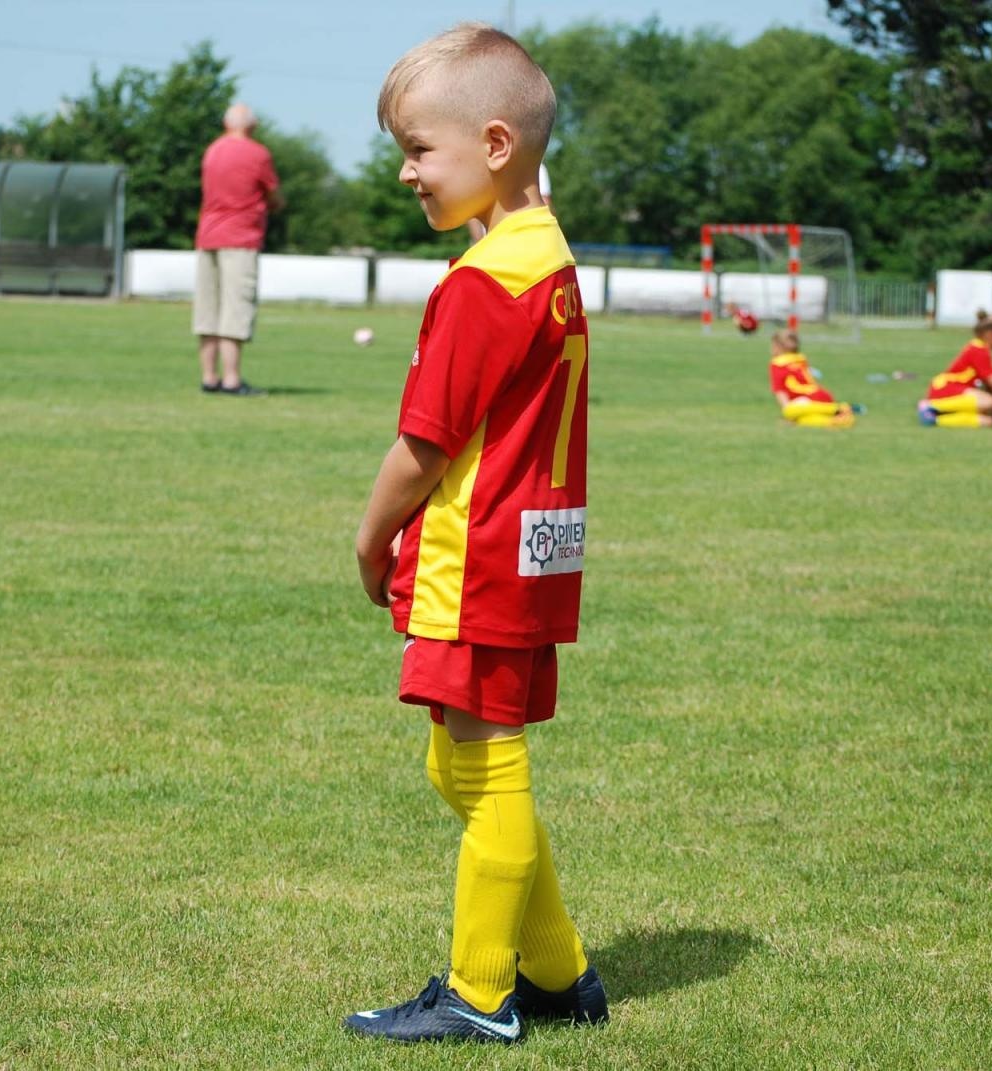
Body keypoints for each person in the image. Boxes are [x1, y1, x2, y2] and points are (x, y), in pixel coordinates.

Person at [347, 23, 605, 1045]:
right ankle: (555, 971)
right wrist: (503, 208)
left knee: (485, 764)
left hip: (478, 553)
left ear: (495, 146)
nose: (406, 172)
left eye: (418, 149)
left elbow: (422, 447)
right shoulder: (541, 250)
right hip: (530, 547)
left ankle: (479, 990)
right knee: (456, 763)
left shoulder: (481, 284)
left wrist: (370, 543)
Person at [194, 102, 283, 396]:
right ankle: (232, 379)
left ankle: (209, 377)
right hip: (240, 238)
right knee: (235, 308)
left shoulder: (212, 150)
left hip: (207, 236)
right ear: (251, 125)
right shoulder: (257, 153)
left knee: (208, 309)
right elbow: (272, 194)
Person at [919, 312, 992, 428]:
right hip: (946, 388)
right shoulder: (978, 350)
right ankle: (930, 407)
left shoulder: (980, 347)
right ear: (990, 334)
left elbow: (991, 388)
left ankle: (934, 419)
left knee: (987, 421)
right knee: (989, 402)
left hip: (953, 389)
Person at [770, 330, 856, 428]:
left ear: (777, 347)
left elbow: (780, 391)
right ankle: (837, 420)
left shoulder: (776, 364)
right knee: (802, 419)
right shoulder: (801, 358)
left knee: (789, 411)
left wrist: (787, 412)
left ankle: (838, 408)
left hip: (809, 400)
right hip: (823, 395)